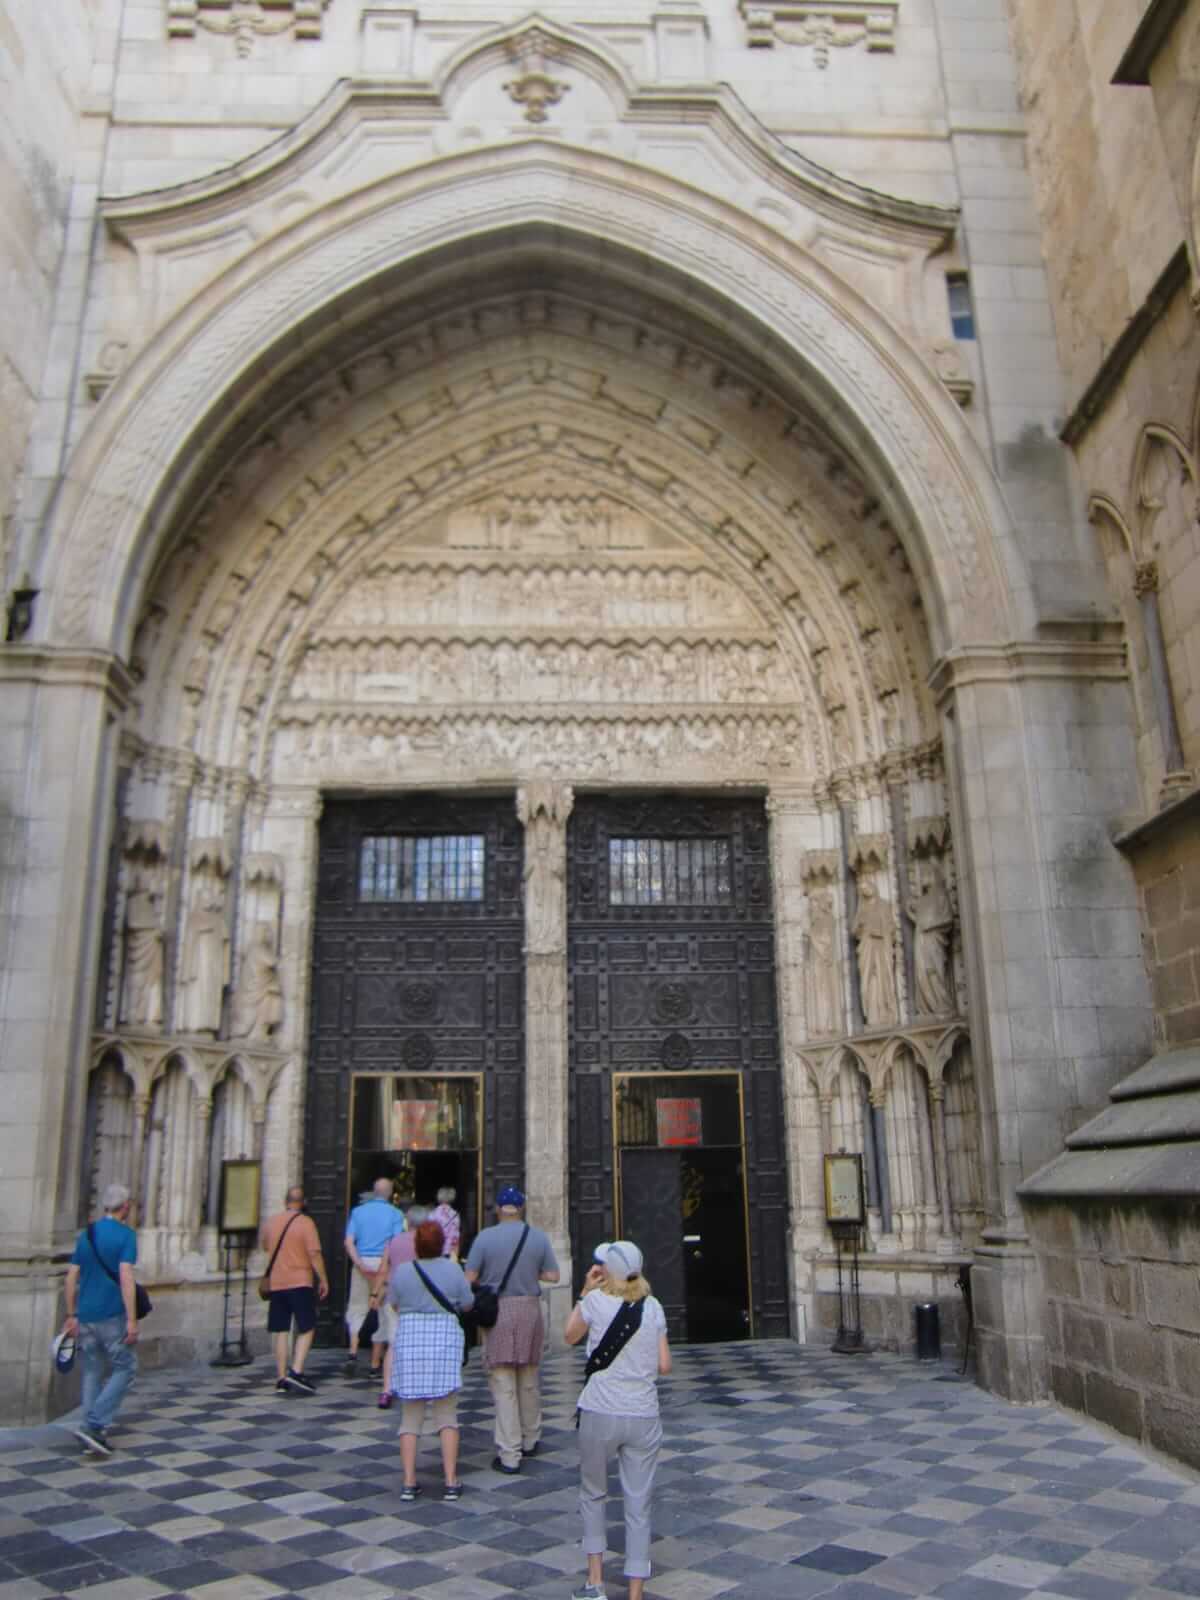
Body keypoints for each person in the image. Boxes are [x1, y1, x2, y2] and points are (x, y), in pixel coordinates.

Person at [565, 1240, 671, 1600]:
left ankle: (595, 1583)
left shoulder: (595, 1301)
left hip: (600, 1410)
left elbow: (569, 1335)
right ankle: (635, 1593)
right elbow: (664, 1364)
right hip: (643, 1414)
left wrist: (584, 1291)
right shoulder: (653, 1307)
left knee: (594, 1494)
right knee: (638, 1505)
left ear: (606, 1270)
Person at [464, 1185, 560, 1473]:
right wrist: (530, 1272)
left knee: (503, 1381)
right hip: (529, 1309)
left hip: (500, 1311)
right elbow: (553, 1275)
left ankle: (509, 1453)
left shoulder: (485, 1238)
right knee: (528, 1377)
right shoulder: (537, 1237)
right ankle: (531, 1438)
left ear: (498, 1209)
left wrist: (488, 1281)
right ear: (522, 1208)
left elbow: (469, 1277)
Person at [386, 1218, 475, 1503]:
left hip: (412, 1340)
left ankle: (409, 1482)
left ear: (417, 1245)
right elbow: (468, 1303)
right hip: (443, 1341)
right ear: (441, 1244)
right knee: (446, 1415)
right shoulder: (452, 1270)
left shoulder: (403, 1271)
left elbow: (394, 1303)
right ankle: (450, 1481)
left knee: (410, 1418)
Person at [61, 1183, 140, 1456]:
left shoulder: (88, 1234)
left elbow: (71, 1277)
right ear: (125, 1206)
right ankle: (94, 1423)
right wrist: (132, 1319)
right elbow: (126, 1277)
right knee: (126, 1368)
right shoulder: (126, 1236)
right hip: (111, 1315)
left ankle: (88, 1429)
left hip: (85, 1315)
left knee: (92, 1371)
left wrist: (71, 1314)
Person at [260, 1184, 329, 1394]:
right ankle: (296, 1371)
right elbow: (314, 1254)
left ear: (285, 1201)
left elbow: (265, 1246)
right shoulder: (306, 1223)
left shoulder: (271, 1222)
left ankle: (281, 1377)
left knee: (281, 1330)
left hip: (277, 1282)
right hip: (300, 1281)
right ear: (303, 1202)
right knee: (307, 1327)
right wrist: (323, 1279)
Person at [344, 1177, 405, 1378]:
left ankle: (353, 1351)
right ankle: (376, 1362)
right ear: (390, 1193)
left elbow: (349, 1242)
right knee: (385, 1312)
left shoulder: (358, 1212)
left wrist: (359, 1263)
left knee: (357, 1307)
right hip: (383, 1264)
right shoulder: (396, 1214)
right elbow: (394, 1243)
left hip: (361, 1262)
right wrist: (384, 1267)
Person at [370, 1202, 426, 1408]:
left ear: (407, 1221)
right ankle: (416, 1386)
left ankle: (386, 1390)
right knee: (419, 1343)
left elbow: (383, 1269)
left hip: (394, 1297)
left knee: (394, 1344)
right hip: (419, 1298)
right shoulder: (425, 1243)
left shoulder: (394, 1241)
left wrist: (375, 1293)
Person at [428, 1186, 461, 1259]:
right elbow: (456, 1237)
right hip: (450, 1252)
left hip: (436, 1250)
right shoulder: (455, 1215)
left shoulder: (433, 1214)